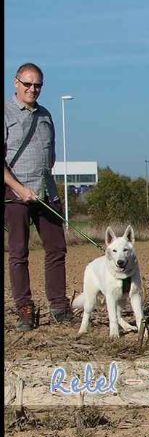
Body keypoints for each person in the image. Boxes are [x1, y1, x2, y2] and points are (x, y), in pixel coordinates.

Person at [4, 63, 72, 330]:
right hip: (16, 194)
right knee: (19, 252)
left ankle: (58, 306)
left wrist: (43, 184)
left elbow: (51, 154)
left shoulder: (46, 115)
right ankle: (25, 310)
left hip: (47, 192)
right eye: (28, 84)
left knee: (57, 249)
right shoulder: (6, 112)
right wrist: (20, 188)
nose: (33, 89)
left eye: (38, 85)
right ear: (16, 82)